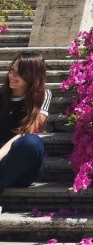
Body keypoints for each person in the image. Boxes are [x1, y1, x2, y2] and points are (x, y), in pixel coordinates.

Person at [0, 51, 50, 197]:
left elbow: (26, 131)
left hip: (21, 165)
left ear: (32, 76)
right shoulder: (1, 95)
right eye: (11, 70)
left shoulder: (42, 96)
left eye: (19, 73)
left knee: (32, 142)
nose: (12, 76)